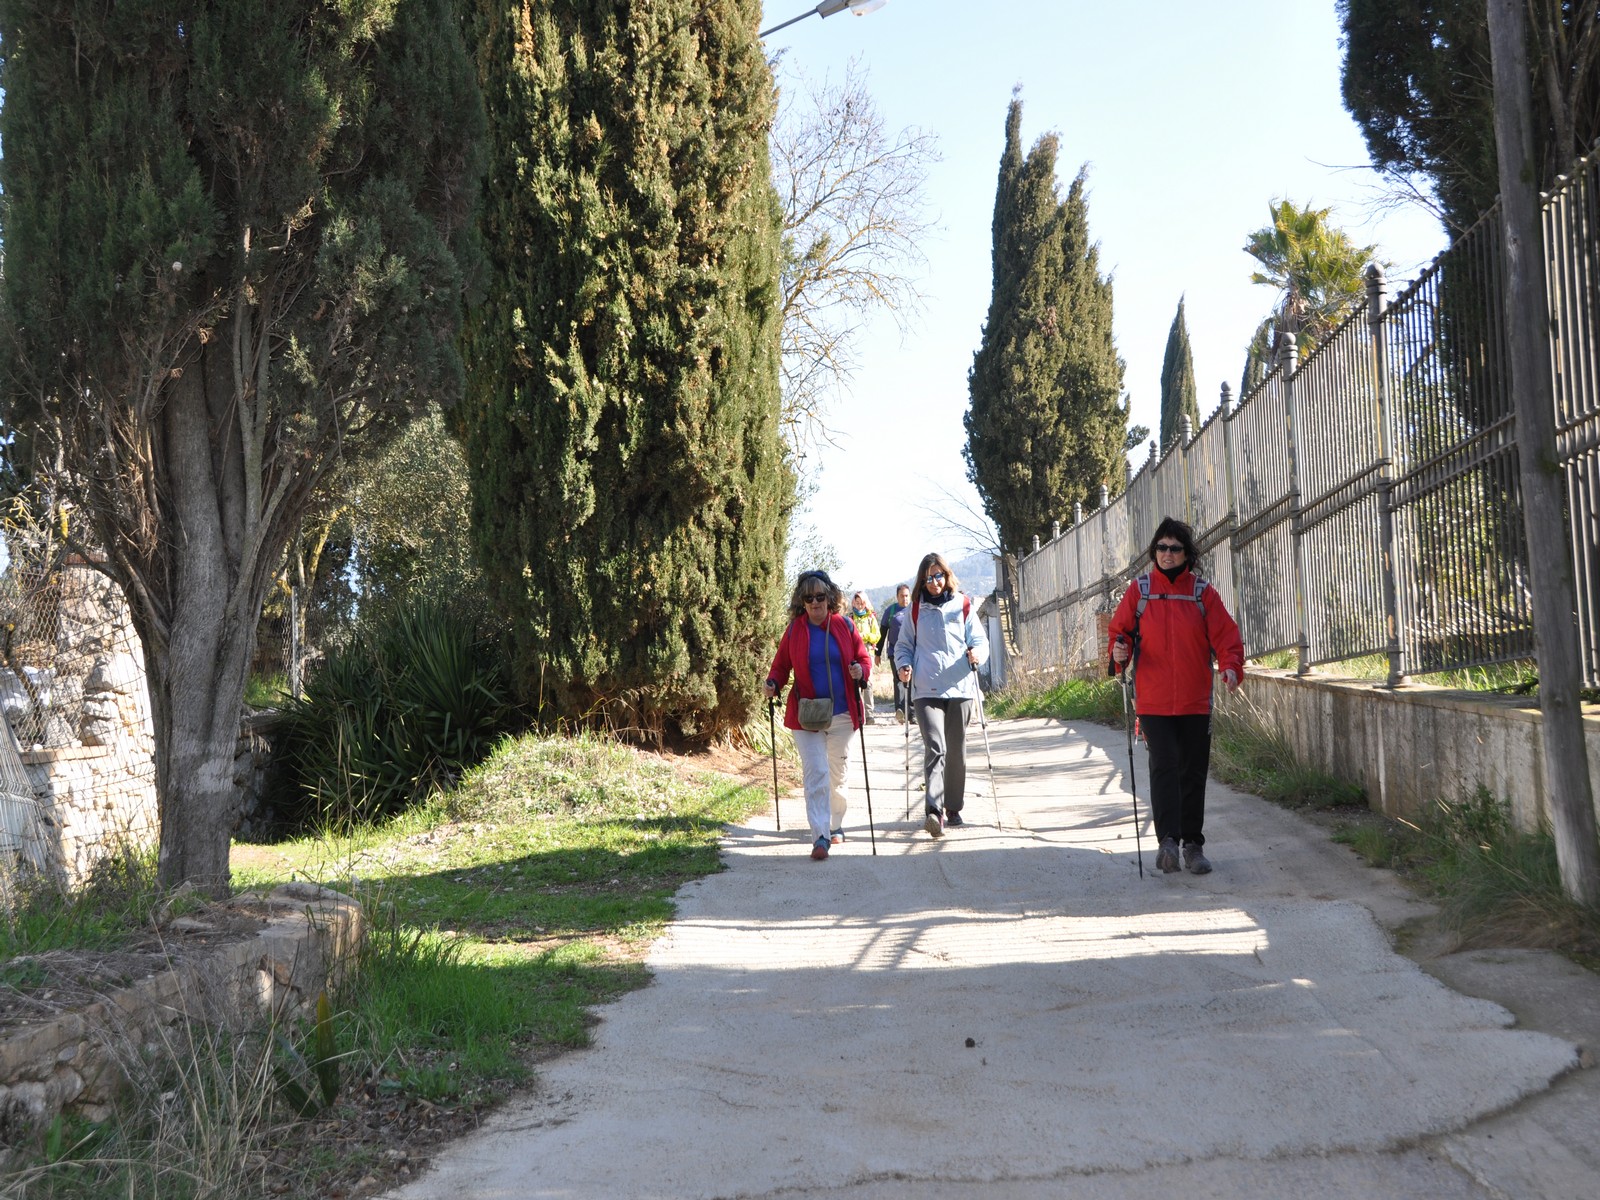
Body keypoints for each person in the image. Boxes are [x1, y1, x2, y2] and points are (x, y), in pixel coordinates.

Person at [1108, 517, 1244, 875]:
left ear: (1187, 554)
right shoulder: (1140, 591)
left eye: (1175, 548)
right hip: (1153, 702)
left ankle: (1193, 846)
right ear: (1154, 550)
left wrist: (1231, 666)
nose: (1167, 554)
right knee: (1164, 766)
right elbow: (1120, 633)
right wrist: (1119, 652)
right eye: (1161, 547)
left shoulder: (1201, 593)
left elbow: (1226, 636)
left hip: (1194, 701)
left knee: (1193, 771)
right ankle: (1167, 841)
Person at [764, 570, 873, 860]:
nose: (815, 602)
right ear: (802, 602)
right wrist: (773, 683)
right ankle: (820, 836)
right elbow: (780, 666)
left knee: (837, 774)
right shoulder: (794, 631)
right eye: (808, 597)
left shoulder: (844, 626)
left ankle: (835, 824)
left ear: (830, 597)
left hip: (842, 714)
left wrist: (860, 671)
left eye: (820, 596)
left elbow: (864, 659)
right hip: (807, 715)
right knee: (816, 773)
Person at [894, 553, 988, 838]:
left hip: (960, 688)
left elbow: (979, 641)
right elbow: (903, 646)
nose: (934, 582)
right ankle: (934, 812)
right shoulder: (915, 610)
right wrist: (903, 666)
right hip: (926, 689)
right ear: (922, 581)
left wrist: (977, 654)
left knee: (956, 750)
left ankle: (953, 807)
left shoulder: (963, 604)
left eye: (939, 576)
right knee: (936, 746)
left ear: (947, 576)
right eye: (928, 578)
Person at [847, 591, 882, 724]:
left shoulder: (871, 617)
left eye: (861, 603)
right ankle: (858, 713)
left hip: (868, 652)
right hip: (853, 652)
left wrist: (865, 636)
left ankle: (869, 714)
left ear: (865, 603)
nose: (859, 605)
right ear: (853, 603)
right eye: (857, 603)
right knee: (855, 682)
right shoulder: (850, 618)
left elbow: (877, 636)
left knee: (868, 682)